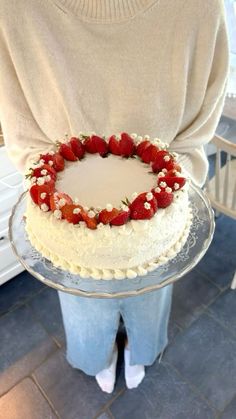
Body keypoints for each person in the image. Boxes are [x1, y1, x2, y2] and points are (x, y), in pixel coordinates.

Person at [0, 0, 229, 393]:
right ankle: (97, 354)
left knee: (151, 295)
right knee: (83, 302)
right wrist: (69, 210)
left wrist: (162, 204)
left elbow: (198, 128)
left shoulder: (199, 8)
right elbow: (24, 135)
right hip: (69, 221)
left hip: (159, 214)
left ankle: (141, 348)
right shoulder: (14, 11)